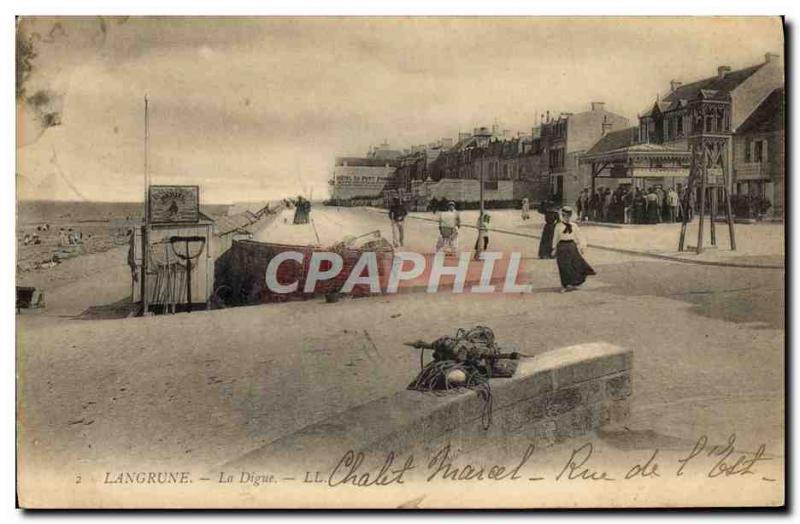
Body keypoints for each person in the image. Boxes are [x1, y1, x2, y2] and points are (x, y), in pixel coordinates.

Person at [551, 206, 596, 292]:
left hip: (572, 246)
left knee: (575, 265)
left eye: (568, 216)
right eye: (565, 216)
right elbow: (555, 238)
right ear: (562, 216)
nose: (567, 218)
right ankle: (564, 285)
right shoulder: (558, 226)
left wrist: (582, 247)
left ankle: (575, 282)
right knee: (563, 266)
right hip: (562, 247)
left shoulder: (574, 226)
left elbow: (579, 236)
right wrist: (554, 248)